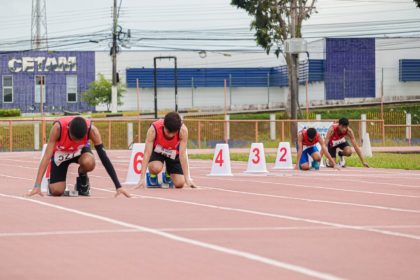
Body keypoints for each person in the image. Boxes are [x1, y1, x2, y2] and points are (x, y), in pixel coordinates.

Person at [27, 116, 131, 197]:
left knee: (89, 162)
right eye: (74, 139)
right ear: (68, 130)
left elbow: (104, 158)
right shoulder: (58, 128)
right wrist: (37, 185)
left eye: (79, 139)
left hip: (80, 152)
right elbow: (46, 156)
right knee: (57, 191)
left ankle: (82, 177)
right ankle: (53, 182)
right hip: (61, 154)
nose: (76, 142)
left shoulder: (92, 131)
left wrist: (118, 186)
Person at [135, 112, 196, 189]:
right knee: (156, 167)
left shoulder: (183, 131)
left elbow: (182, 154)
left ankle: (168, 173)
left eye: (173, 133)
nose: (170, 135)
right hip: (157, 151)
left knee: (180, 184)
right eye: (168, 132)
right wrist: (142, 178)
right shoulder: (153, 129)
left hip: (173, 153)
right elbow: (147, 153)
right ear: (164, 125)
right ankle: (152, 176)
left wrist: (187, 178)